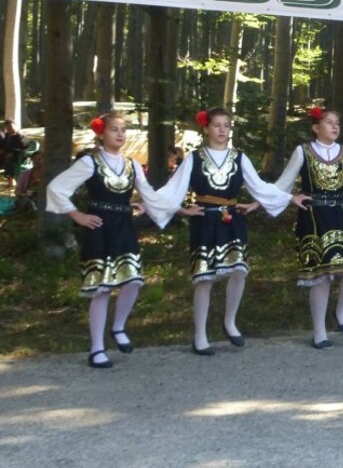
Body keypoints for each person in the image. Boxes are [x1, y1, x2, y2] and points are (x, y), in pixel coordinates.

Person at [166, 108, 307, 354]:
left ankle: (230, 321)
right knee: (204, 278)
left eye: (226, 126)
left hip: (232, 218)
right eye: (217, 125)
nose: (222, 130)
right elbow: (172, 189)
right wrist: (181, 210)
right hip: (205, 219)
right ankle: (200, 336)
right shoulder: (194, 158)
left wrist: (289, 197)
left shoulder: (240, 157)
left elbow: (259, 187)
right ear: (206, 128)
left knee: (239, 270)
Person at [45, 113, 180, 368]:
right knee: (103, 288)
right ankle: (97, 348)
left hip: (124, 227)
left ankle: (118, 327)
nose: (120, 134)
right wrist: (77, 215)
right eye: (114, 129)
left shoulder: (132, 165)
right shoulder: (90, 163)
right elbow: (57, 187)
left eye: (123, 130)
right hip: (99, 227)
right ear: (101, 134)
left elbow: (150, 194)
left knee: (133, 281)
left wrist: (171, 208)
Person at [275, 106, 343, 349]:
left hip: (342, 214)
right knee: (321, 276)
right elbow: (284, 183)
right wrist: (290, 198)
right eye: (329, 122)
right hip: (314, 216)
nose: (335, 127)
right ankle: (320, 332)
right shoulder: (303, 152)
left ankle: (341, 312)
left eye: (337, 123)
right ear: (315, 128)